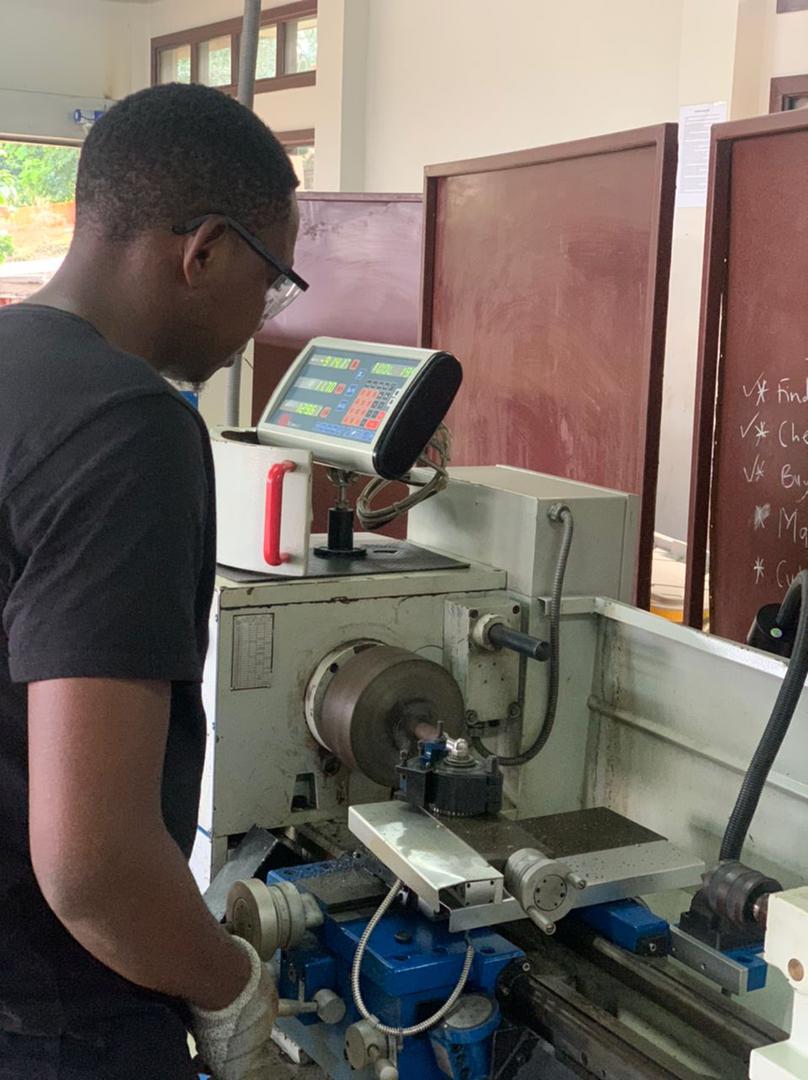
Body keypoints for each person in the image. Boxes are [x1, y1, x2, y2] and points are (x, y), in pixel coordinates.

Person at [0, 82, 306, 1079]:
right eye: (272, 281)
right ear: (203, 248)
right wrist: (227, 987)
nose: (261, 316)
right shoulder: (127, 427)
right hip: (62, 1013)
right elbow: (94, 863)